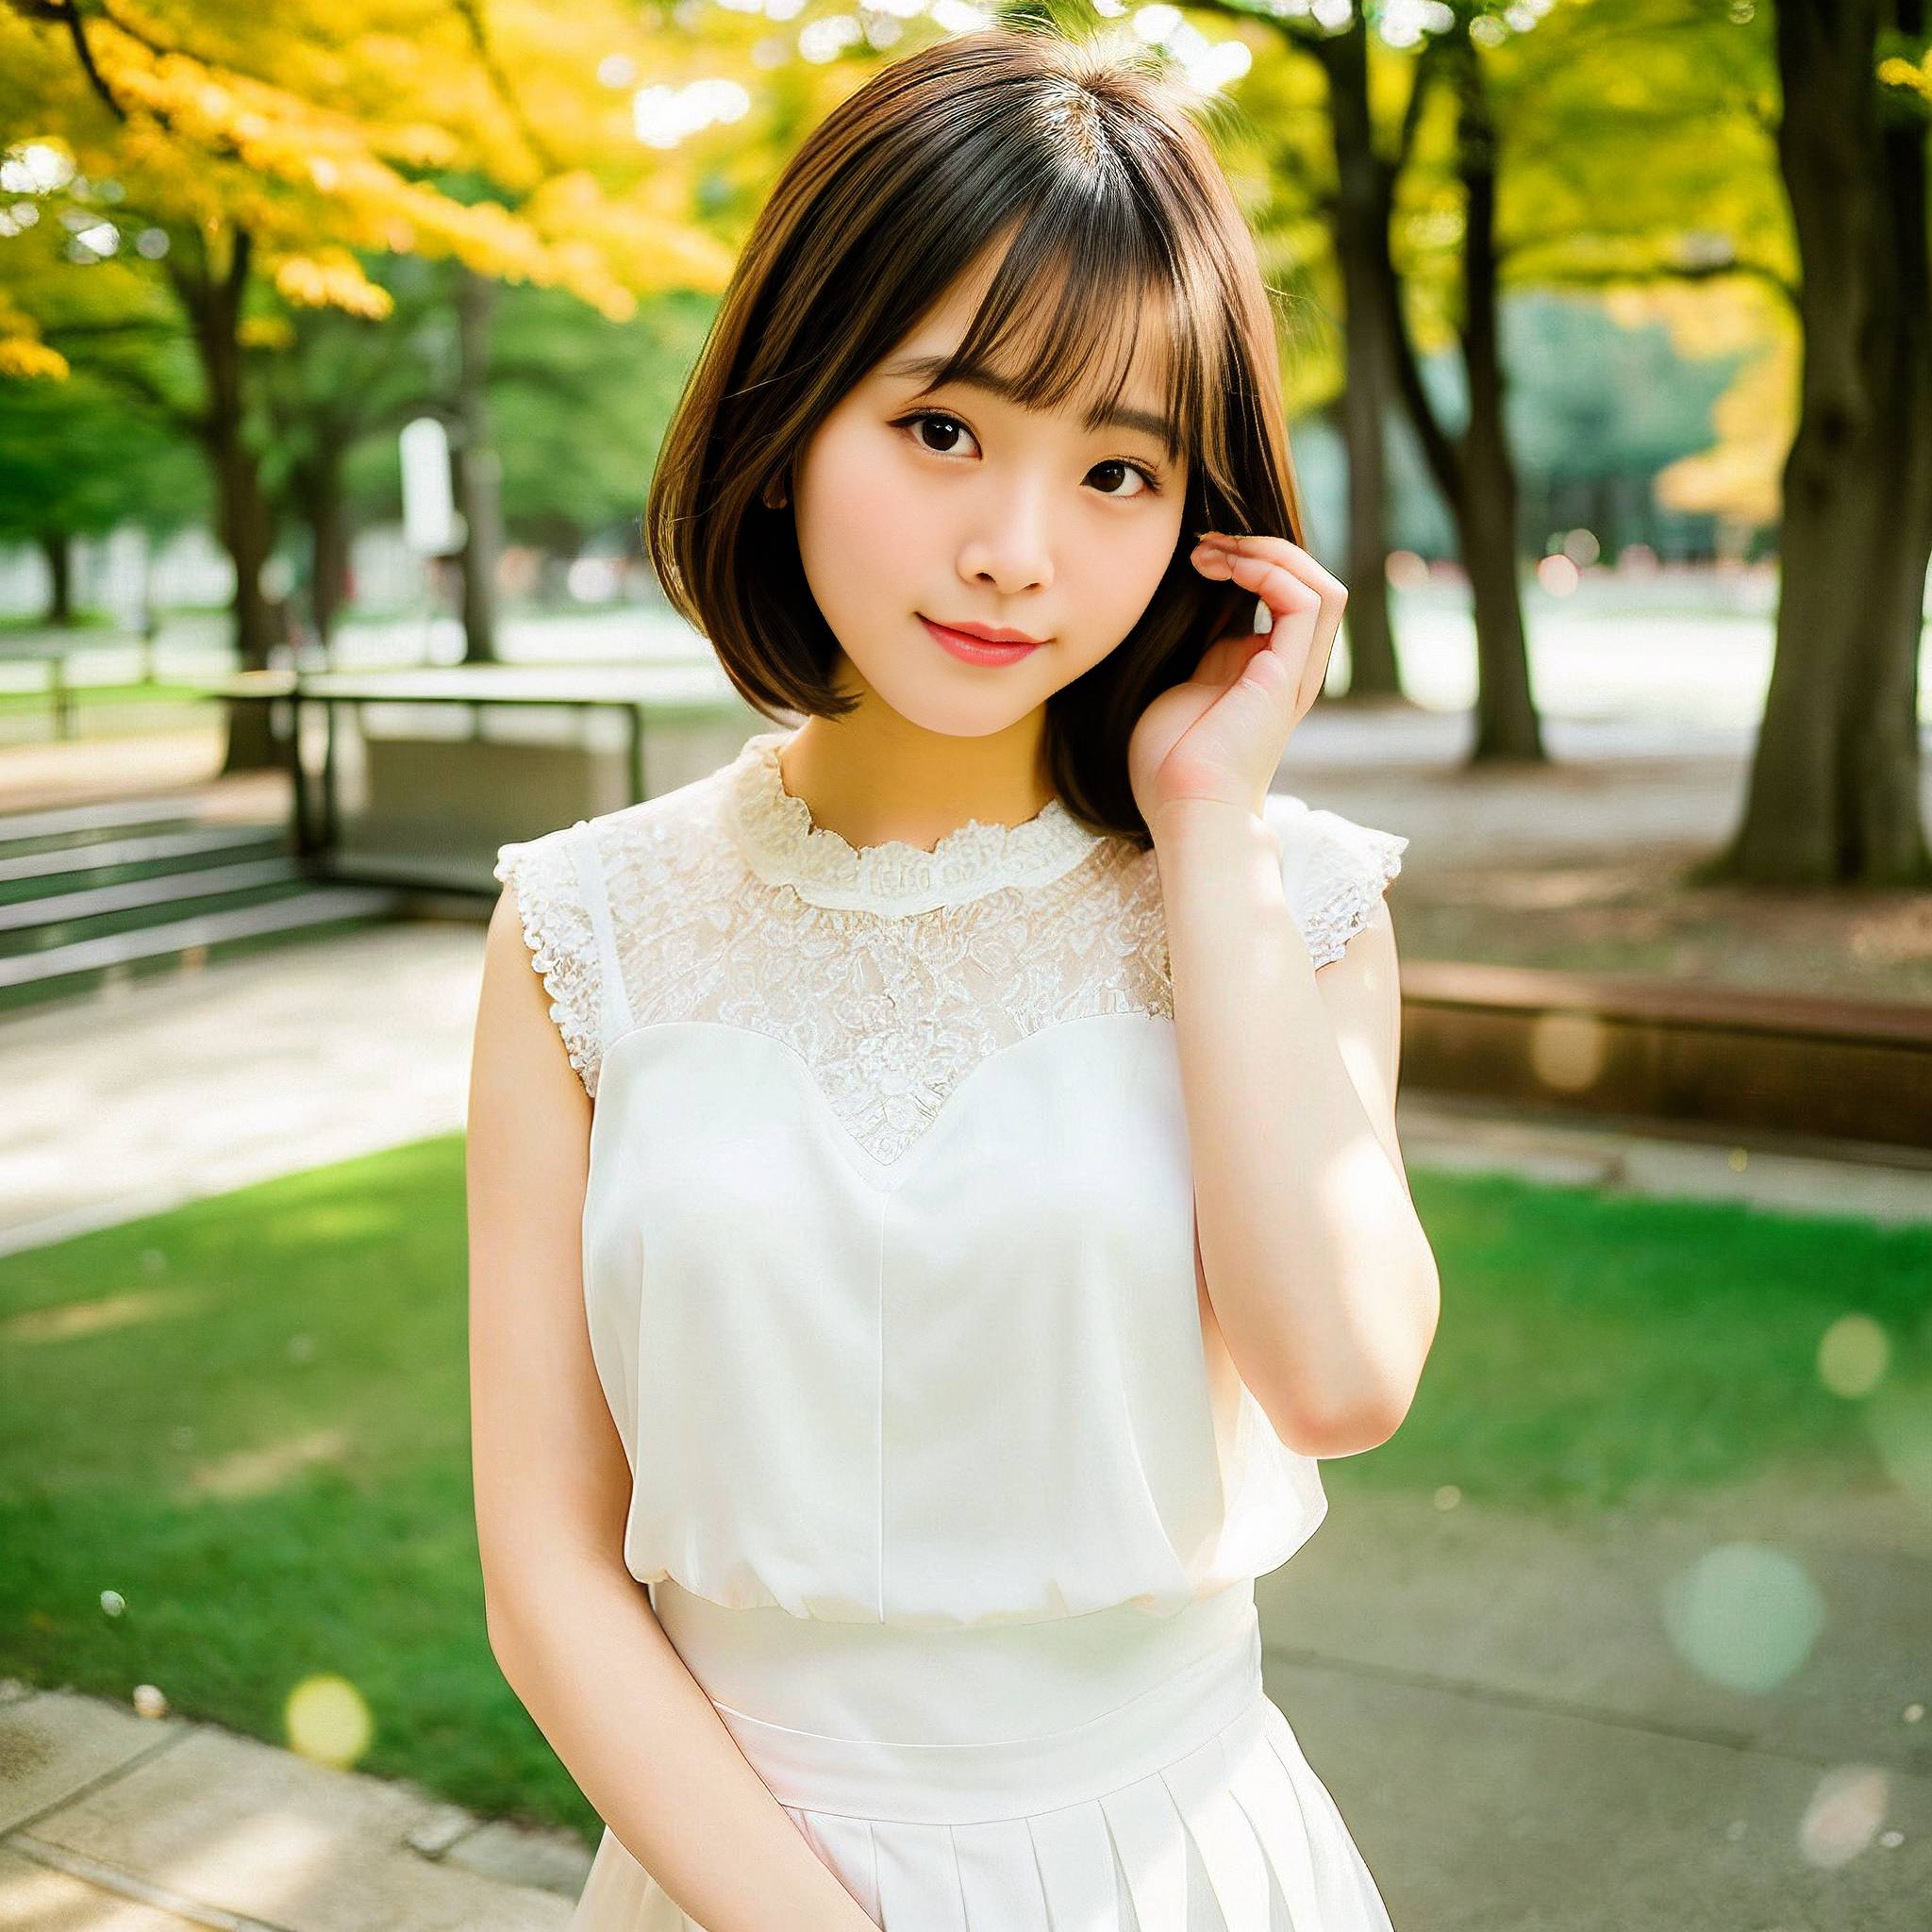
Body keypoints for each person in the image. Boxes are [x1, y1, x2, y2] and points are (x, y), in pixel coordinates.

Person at [467, 23, 1440, 1931]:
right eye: (940, 430)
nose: (1015, 553)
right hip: (735, 1885)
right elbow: (548, 1578)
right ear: (783, 418)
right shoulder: (581, 931)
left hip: (1175, 1862)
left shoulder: (1285, 901)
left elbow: (1335, 1378)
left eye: (1115, 469)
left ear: (1199, 518)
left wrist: (1206, 826)